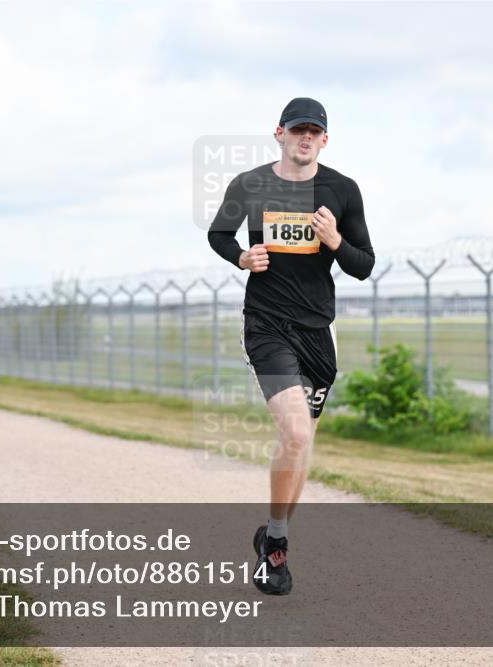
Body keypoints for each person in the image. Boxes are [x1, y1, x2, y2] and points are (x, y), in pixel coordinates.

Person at [207, 97, 375, 594]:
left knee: (302, 447)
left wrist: (335, 240)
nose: (305, 138)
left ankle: (272, 534)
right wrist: (241, 256)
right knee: (297, 434)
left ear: (325, 140)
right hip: (266, 325)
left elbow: (364, 264)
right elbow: (218, 234)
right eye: (297, 129)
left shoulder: (342, 191)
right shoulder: (250, 185)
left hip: (318, 331)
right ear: (278, 133)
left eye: (314, 132)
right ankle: (277, 550)